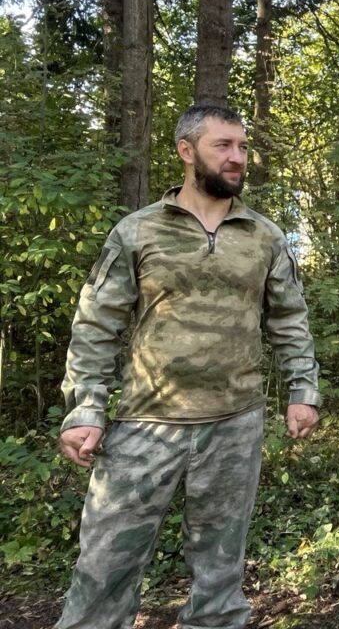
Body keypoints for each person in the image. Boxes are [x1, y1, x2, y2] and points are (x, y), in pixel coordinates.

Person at [56, 105, 321, 629]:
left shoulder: (263, 235)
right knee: (104, 570)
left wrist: (303, 390)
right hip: (144, 425)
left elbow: (290, 318)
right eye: (223, 145)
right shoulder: (138, 231)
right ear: (186, 150)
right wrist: (85, 408)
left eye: (242, 147)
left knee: (220, 577)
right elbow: (96, 324)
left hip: (234, 423)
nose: (237, 157)